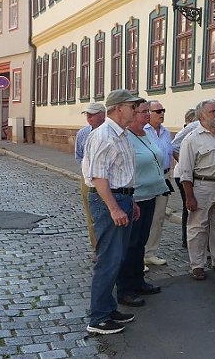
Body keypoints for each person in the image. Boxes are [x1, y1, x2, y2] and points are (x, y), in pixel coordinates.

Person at [81, 89, 143, 334]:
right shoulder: (104, 135)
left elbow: (120, 175)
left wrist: (131, 200)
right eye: (132, 106)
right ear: (119, 108)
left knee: (117, 258)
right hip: (110, 201)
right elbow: (99, 177)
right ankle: (98, 318)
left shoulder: (121, 134)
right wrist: (115, 207)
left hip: (121, 198)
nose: (136, 111)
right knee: (108, 259)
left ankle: (108, 307)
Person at [116, 99, 168, 307]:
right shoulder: (126, 137)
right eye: (143, 111)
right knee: (129, 245)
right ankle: (125, 288)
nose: (148, 114)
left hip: (151, 195)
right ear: (132, 113)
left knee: (140, 242)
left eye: (149, 111)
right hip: (134, 198)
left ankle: (138, 280)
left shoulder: (146, 134)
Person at [179, 99, 215, 280]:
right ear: (201, 115)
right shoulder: (191, 139)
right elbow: (185, 171)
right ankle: (197, 265)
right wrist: (189, 197)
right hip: (202, 186)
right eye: (213, 111)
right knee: (198, 227)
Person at [143, 100, 172, 267]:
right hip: (148, 178)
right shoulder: (142, 131)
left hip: (164, 177)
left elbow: (171, 151)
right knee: (144, 218)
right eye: (158, 111)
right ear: (148, 113)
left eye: (163, 110)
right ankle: (139, 255)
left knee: (158, 217)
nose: (161, 113)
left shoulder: (166, 132)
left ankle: (150, 253)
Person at [75, 101, 106, 255]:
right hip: (87, 177)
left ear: (102, 115)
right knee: (91, 215)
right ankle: (96, 248)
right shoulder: (82, 133)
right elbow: (79, 155)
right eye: (87, 114)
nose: (89, 117)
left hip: (107, 177)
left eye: (92, 114)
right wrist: (87, 170)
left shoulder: (109, 132)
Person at [172, 109, 200, 248]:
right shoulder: (191, 129)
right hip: (182, 174)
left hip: (186, 173)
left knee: (188, 207)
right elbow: (173, 147)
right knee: (188, 206)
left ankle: (187, 240)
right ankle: (186, 240)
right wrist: (184, 163)